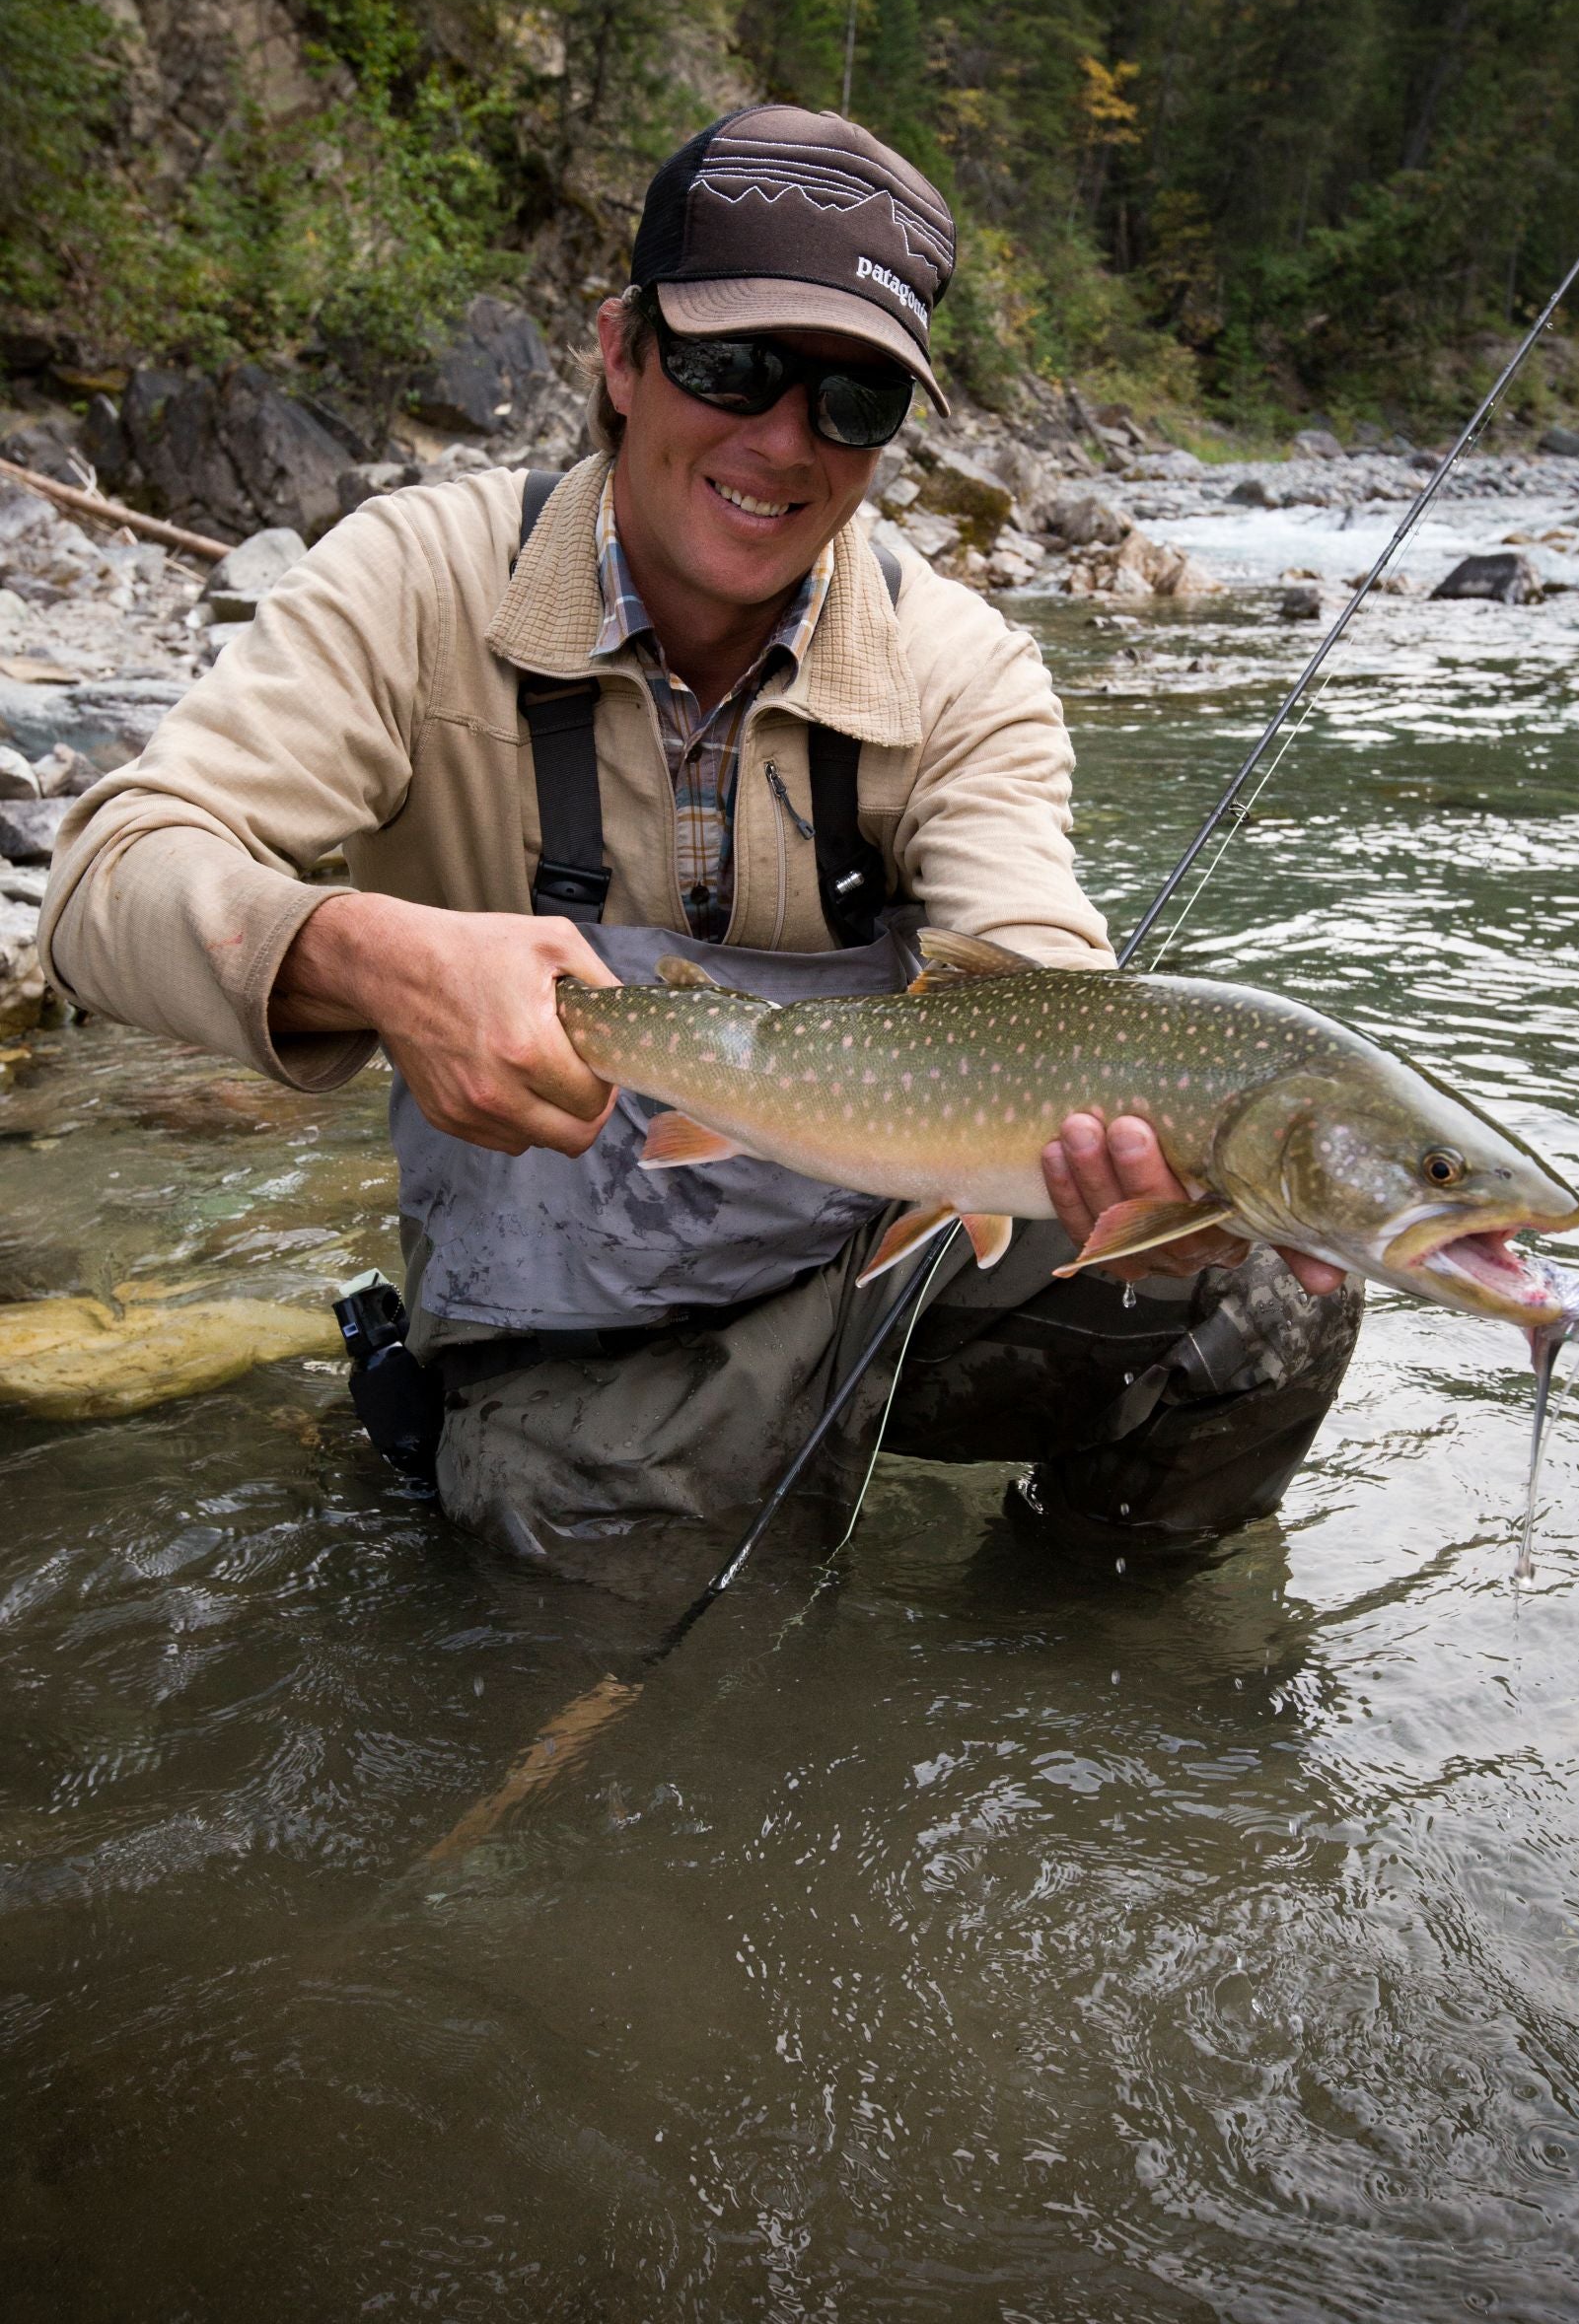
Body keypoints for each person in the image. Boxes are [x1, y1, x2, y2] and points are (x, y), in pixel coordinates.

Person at [40, 104, 1360, 1569]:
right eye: (731, 367)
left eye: (854, 401)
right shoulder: (414, 584)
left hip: (876, 1265)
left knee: (1277, 1299)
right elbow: (109, 874)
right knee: (602, 1685)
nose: (784, 442)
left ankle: (1070, 1650)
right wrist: (364, 955)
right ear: (622, 351)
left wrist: (1142, 1173)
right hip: (571, 1323)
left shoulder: (963, 668)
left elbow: (1045, 966)